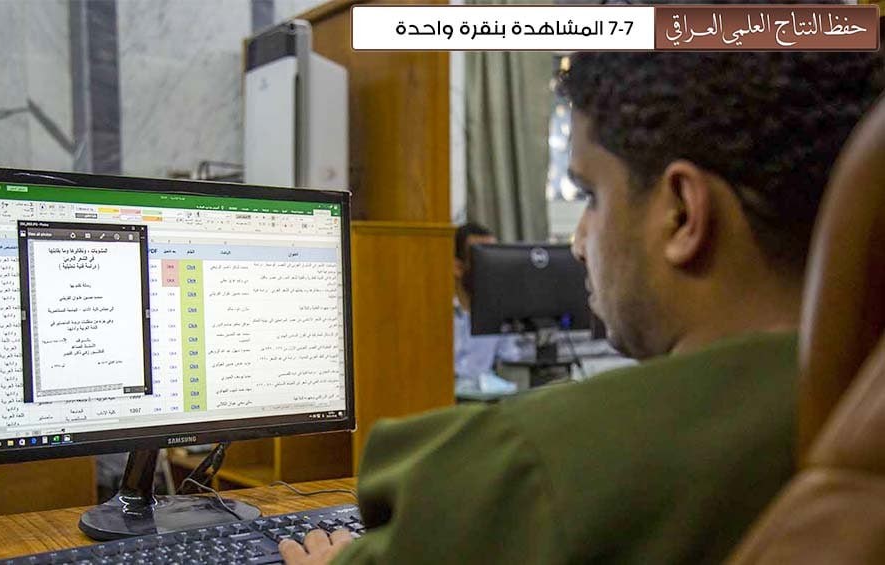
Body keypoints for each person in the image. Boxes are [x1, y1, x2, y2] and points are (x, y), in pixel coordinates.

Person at [279, 49, 885, 564]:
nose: (577, 241)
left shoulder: (529, 472)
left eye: (592, 195)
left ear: (681, 214)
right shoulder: (857, 417)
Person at [452, 222, 533, 394]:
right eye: (482, 259)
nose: (491, 267)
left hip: (483, 399)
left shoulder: (498, 312)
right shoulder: (434, 312)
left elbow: (514, 356)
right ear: (458, 267)